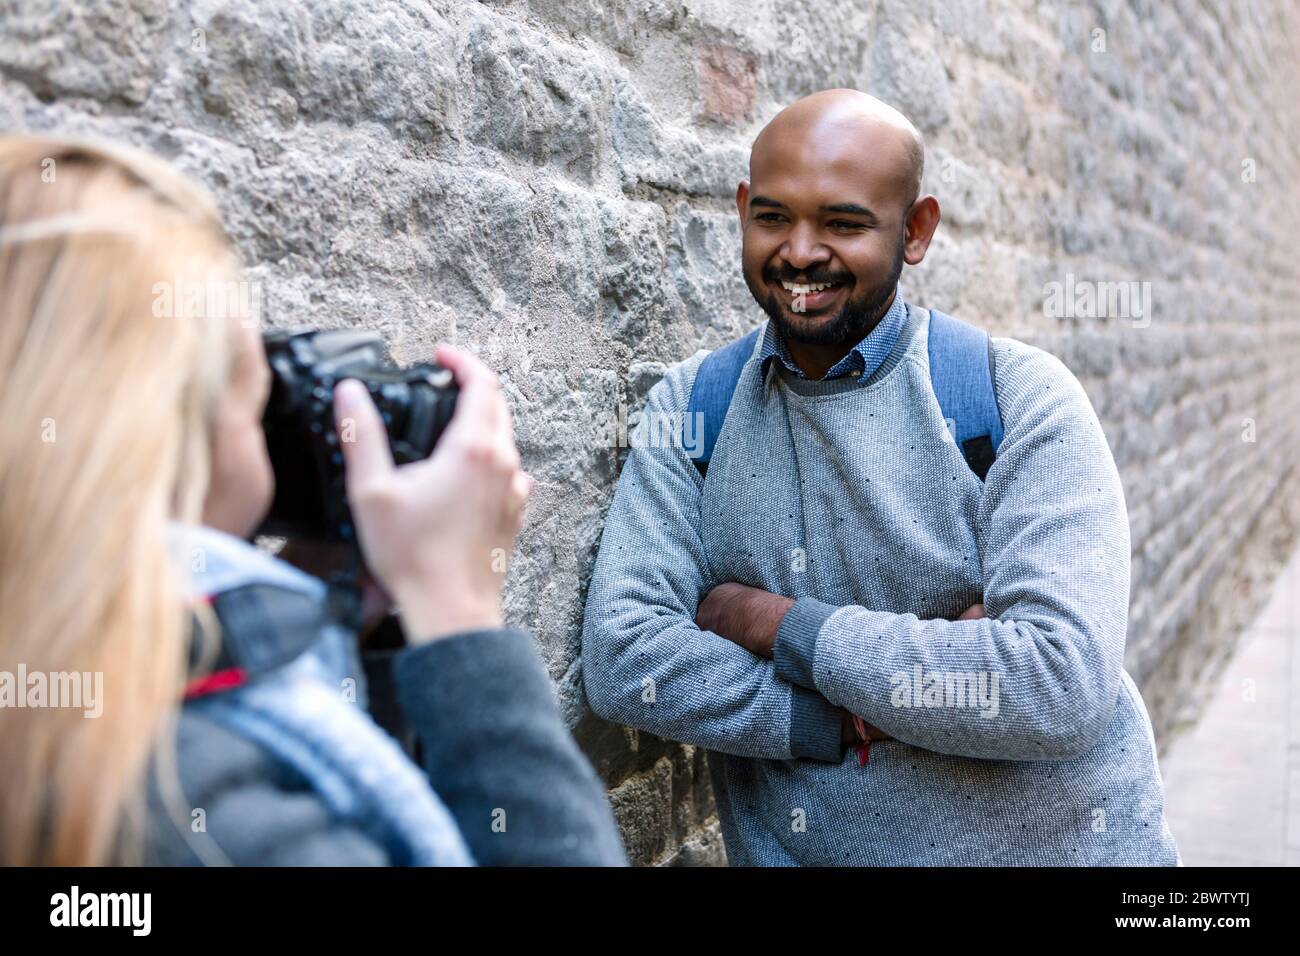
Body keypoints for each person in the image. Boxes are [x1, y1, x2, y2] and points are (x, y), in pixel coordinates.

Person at [581, 89, 1181, 866]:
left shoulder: (1015, 399)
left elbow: (1057, 684)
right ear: (740, 212)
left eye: (843, 222)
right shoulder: (693, 412)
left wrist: (779, 626)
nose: (800, 252)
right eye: (772, 217)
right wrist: (844, 717)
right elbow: (627, 659)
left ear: (916, 229)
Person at [0, 135, 626, 866]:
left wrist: (332, 619)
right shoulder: (194, 805)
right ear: (166, 439)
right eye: (253, 388)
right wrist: (462, 620)